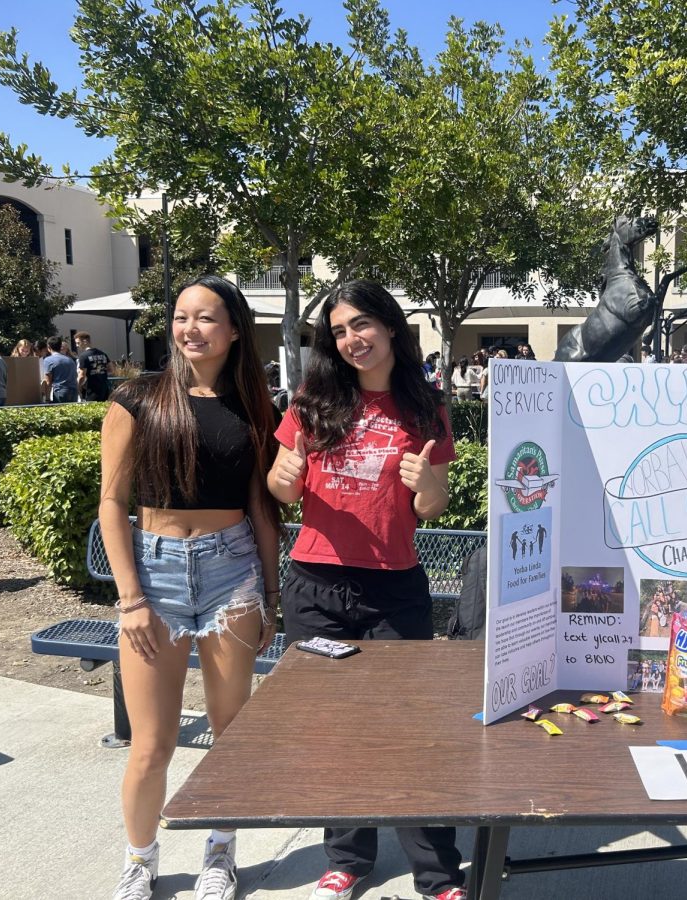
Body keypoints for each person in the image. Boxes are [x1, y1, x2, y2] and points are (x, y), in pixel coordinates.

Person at [268, 279, 466, 900]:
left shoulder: (424, 406)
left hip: (395, 588)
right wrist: (284, 474)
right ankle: (348, 859)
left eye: (361, 325)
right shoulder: (312, 399)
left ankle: (437, 874)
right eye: (339, 331)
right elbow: (279, 491)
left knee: (409, 729)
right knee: (334, 727)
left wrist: (424, 482)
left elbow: (431, 507)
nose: (351, 339)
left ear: (390, 326)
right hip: (315, 583)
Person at [99, 275, 281, 900]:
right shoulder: (136, 398)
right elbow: (112, 504)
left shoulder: (256, 408)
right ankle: (139, 860)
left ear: (234, 329)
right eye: (181, 317)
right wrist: (130, 599)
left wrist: (273, 598)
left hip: (234, 574)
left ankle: (219, 853)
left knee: (231, 734)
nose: (190, 329)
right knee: (153, 743)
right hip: (154, 573)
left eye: (206, 317)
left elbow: (262, 510)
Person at [75, 331, 112, 401]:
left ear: (85, 341)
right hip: (104, 388)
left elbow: (82, 376)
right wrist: (100, 373)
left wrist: (78, 387)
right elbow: (111, 369)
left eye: (78, 343)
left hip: (92, 390)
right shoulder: (103, 354)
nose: (77, 345)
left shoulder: (83, 356)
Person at [41, 336, 79, 404]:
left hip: (60, 392)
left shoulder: (48, 360)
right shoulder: (70, 360)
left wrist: (47, 399)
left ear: (48, 347)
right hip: (74, 391)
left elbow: (48, 382)